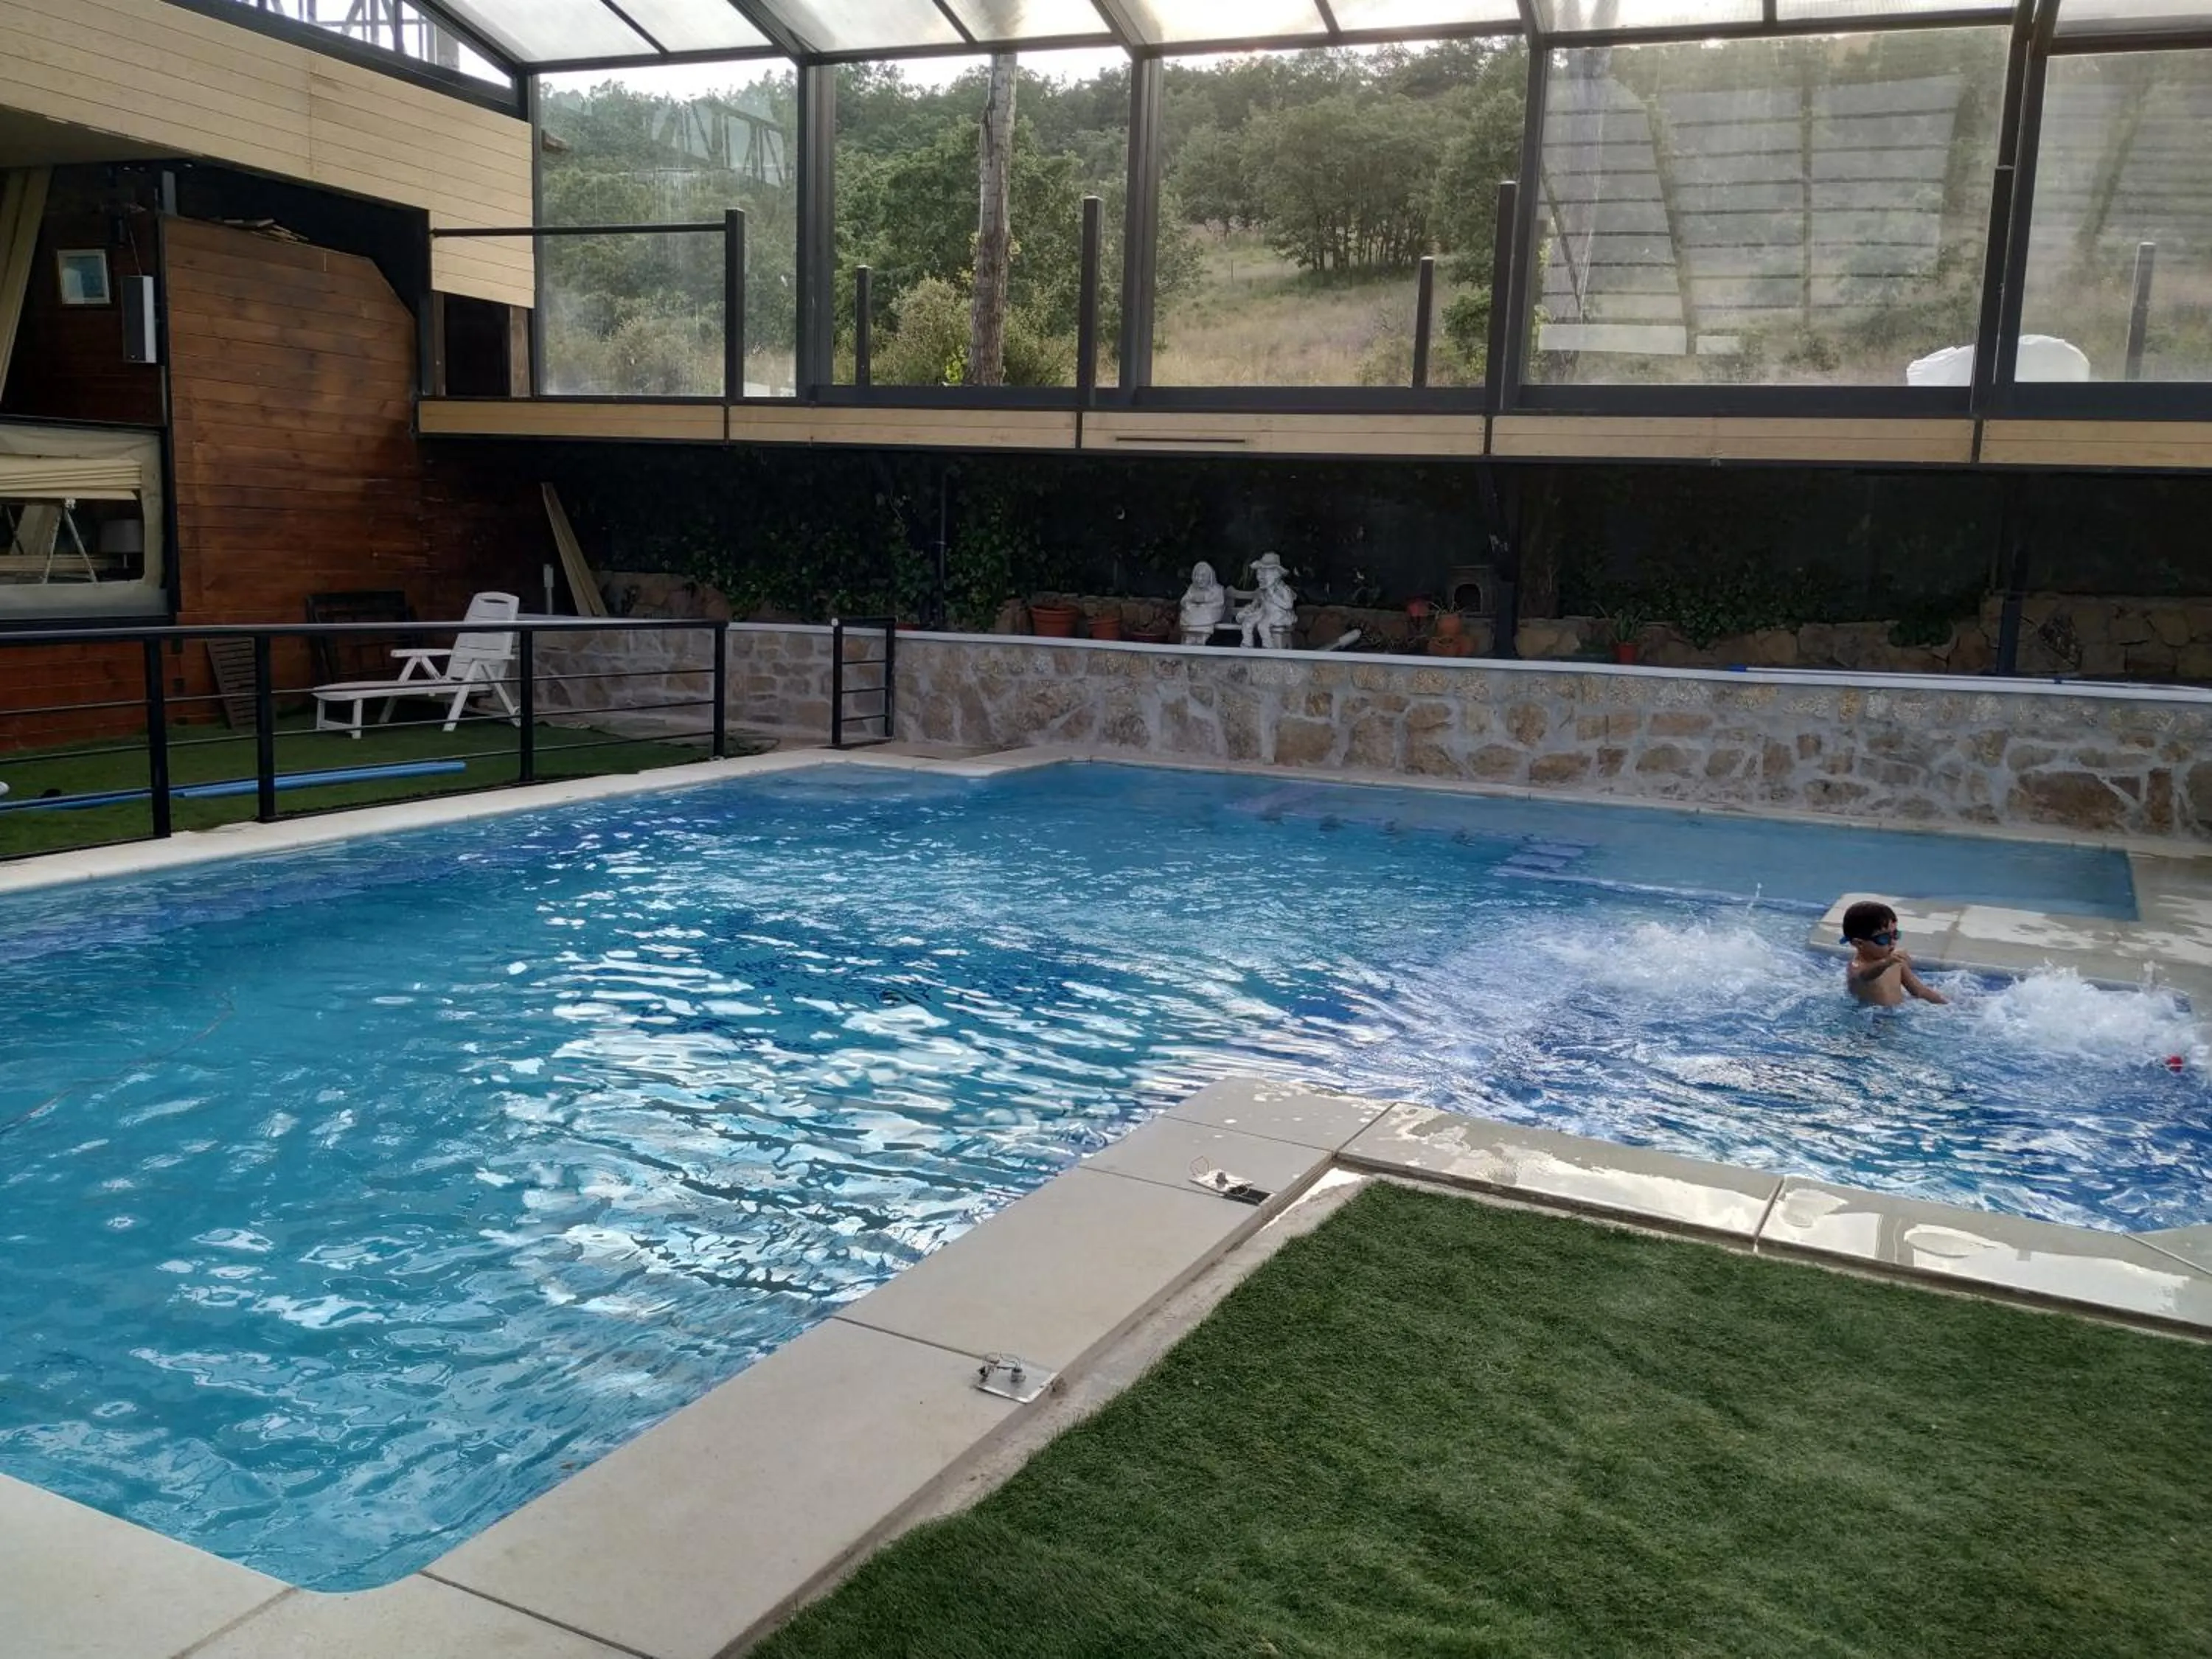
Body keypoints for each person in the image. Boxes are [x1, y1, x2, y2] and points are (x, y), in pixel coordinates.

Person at [1840, 900, 1947, 1006]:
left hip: (1898, 1012)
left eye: (1895, 934)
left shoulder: (1894, 961)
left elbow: (1919, 991)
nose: (1892, 942)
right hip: (1870, 1016)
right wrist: (1887, 962)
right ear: (1859, 943)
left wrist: (1946, 1004)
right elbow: (1866, 975)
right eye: (1884, 938)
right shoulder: (1856, 967)